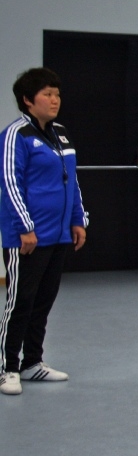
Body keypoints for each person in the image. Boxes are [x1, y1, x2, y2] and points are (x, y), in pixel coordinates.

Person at [0, 68, 87, 396]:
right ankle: (8, 367)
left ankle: (32, 362)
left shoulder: (61, 134)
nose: (55, 100)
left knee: (43, 301)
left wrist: (78, 219)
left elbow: (71, 179)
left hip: (58, 235)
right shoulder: (15, 135)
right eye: (47, 94)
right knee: (20, 301)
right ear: (27, 99)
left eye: (57, 94)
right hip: (27, 239)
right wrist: (26, 227)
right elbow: (10, 183)